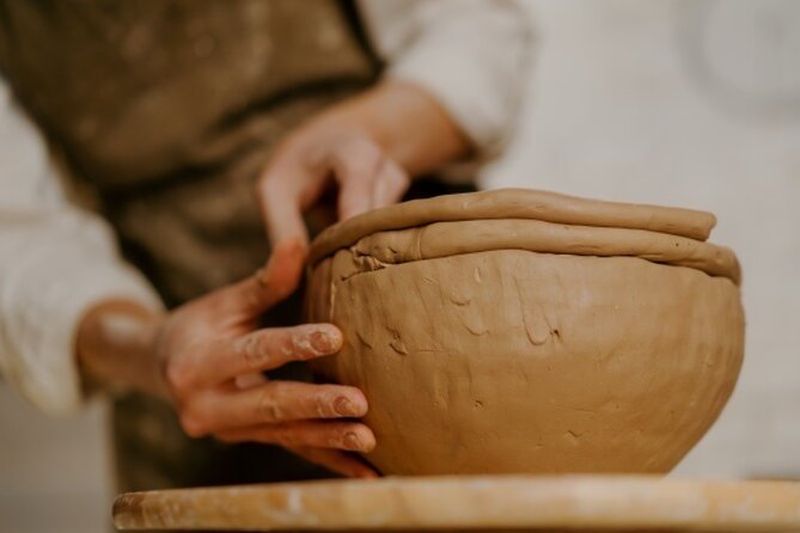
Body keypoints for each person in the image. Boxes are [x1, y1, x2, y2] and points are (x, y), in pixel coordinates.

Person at [0, 0, 531, 490]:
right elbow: (19, 246)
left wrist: (372, 132)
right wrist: (148, 347)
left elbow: (475, 26)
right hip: (195, 390)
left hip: (437, 349)